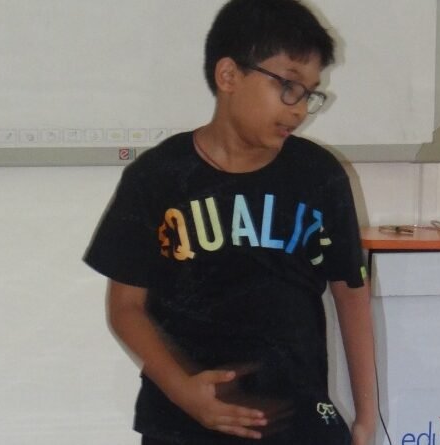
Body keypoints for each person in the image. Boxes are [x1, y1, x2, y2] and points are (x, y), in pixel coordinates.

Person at [84, 0, 376, 444]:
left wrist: (366, 418)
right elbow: (125, 308)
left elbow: (351, 294)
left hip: (297, 424)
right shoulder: (158, 177)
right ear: (229, 76)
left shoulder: (319, 176)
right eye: (289, 86)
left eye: (310, 93)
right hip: (182, 424)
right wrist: (184, 392)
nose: (300, 109)